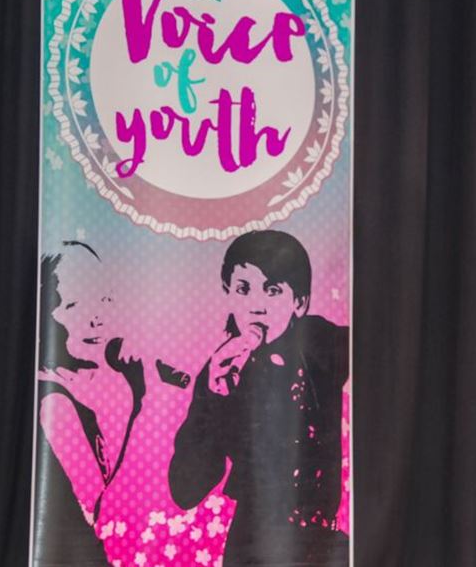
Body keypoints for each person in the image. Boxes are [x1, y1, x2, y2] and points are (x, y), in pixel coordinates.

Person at [169, 230, 349, 566]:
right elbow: (185, 489)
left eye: (272, 290)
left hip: (323, 538)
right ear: (227, 294)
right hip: (253, 542)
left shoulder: (322, 341)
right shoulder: (219, 370)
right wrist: (216, 398)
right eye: (243, 289)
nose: (256, 305)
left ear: (299, 302)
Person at [34, 241, 146, 564]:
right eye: (73, 305)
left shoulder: (121, 380)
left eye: (103, 299)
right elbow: (100, 513)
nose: (96, 318)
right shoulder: (55, 402)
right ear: (46, 313)